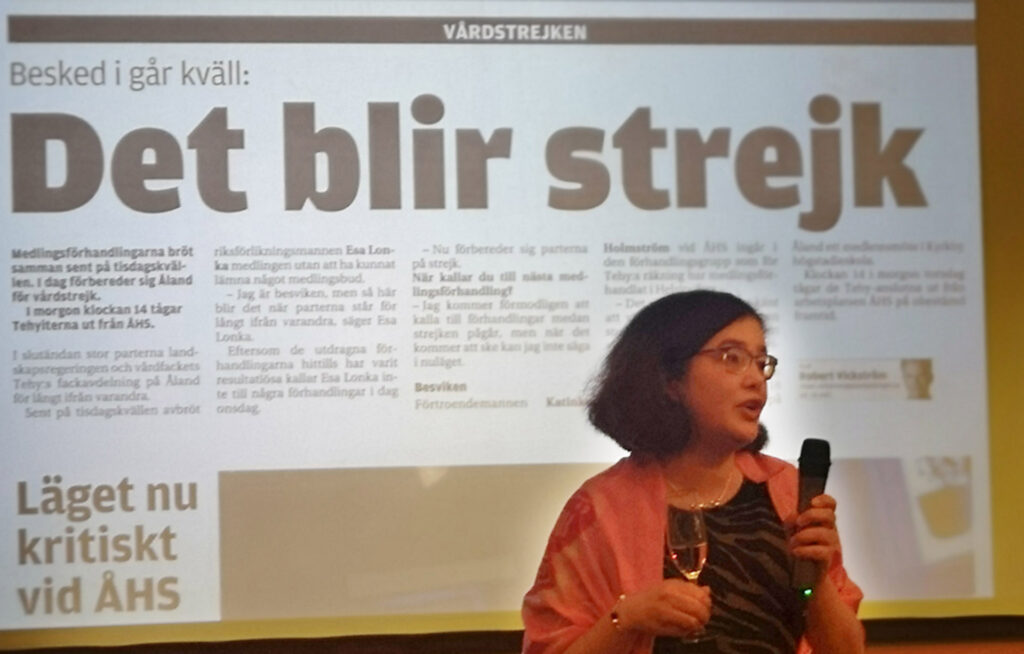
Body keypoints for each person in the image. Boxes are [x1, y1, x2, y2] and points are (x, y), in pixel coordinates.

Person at [521, 290, 863, 654]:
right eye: (732, 358)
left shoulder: (786, 490)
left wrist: (816, 582)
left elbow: (847, 650)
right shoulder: (600, 508)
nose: (756, 379)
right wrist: (626, 619)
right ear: (671, 379)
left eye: (761, 362)